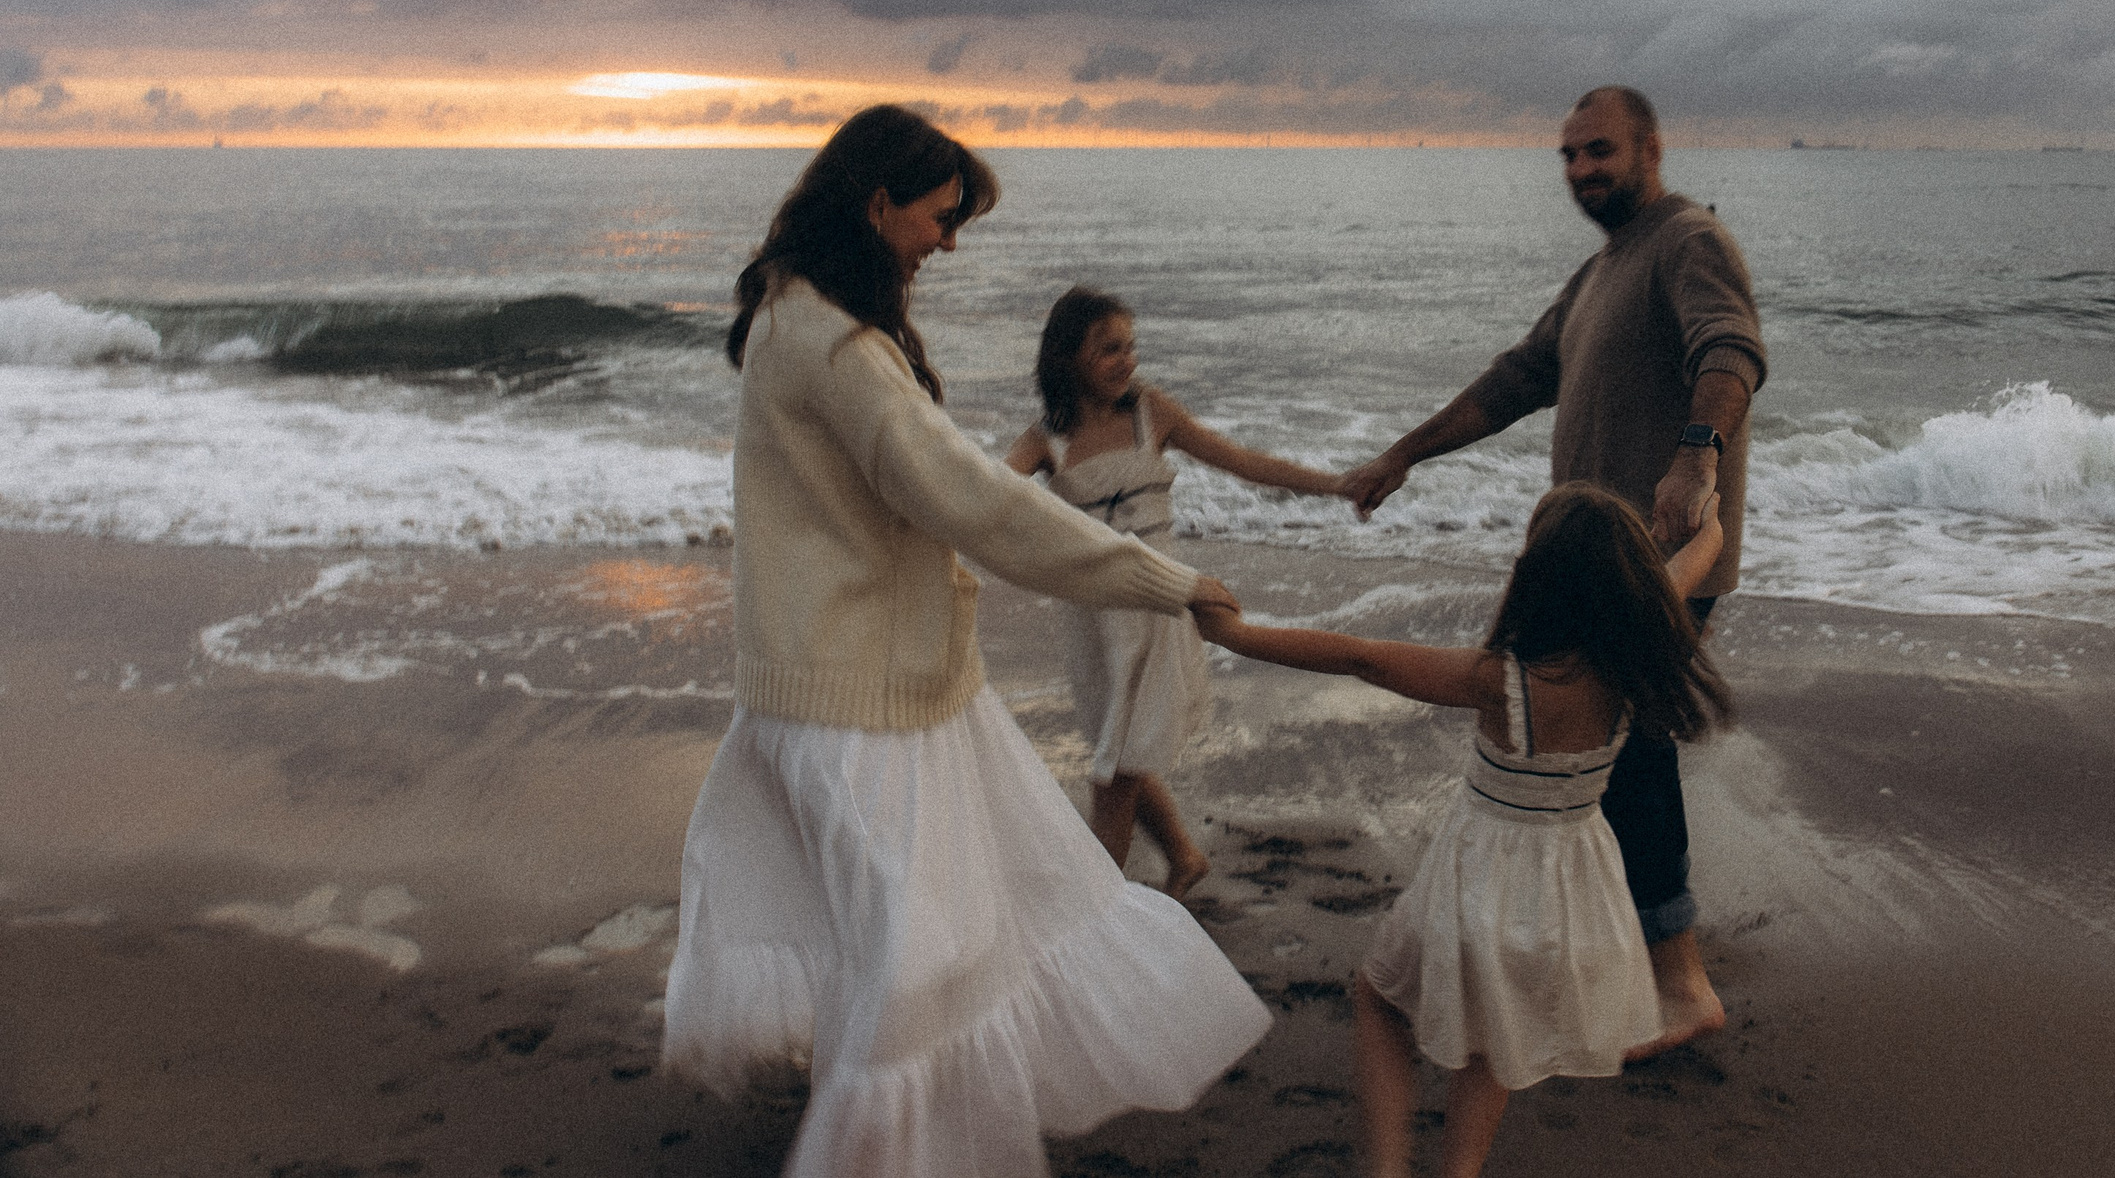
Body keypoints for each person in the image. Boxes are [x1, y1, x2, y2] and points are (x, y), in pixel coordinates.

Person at [661, 106, 1270, 1178]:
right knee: (919, 956)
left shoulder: (781, 311)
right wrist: (1157, 577)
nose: (949, 242)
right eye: (941, 219)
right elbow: (980, 503)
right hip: (864, 701)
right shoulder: (843, 349)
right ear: (878, 203)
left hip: (841, 680)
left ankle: (877, 1123)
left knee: (912, 928)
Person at [1339, 84, 1765, 1054]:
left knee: (1629, 756)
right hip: (1592, 571)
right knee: (1599, 760)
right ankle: (1616, 958)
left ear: (1650, 147)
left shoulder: (1687, 240)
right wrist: (1404, 452)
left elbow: (1731, 347)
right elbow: (1517, 377)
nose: (1581, 170)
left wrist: (1695, 454)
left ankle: (1681, 983)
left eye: (1599, 150)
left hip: (1655, 564)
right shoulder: (1604, 266)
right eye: (1568, 155)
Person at [1191, 483, 1732, 1178]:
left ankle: (1387, 1168)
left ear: (1537, 578)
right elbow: (1693, 560)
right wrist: (1708, 513)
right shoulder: (1639, 648)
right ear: (1629, 584)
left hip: (1485, 881)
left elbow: (1360, 656)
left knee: (1379, 997)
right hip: (1572, 894)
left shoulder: (1499, 680)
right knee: (1493, 1039)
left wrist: (1232, 633)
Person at [1004, 285, 1343, 899]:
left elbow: (1242, 461)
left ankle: (1098, 905)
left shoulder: (1150, 414)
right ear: (1067, 357)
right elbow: (984, 500)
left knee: (1115, 768)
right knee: (1122, 746)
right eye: (1109, 349)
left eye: (1131, 347)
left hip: (1158, 608)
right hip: (1095, 619)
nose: (1127, 360)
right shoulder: (1045, 441)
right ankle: (1184, 857)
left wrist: (1338, 486)